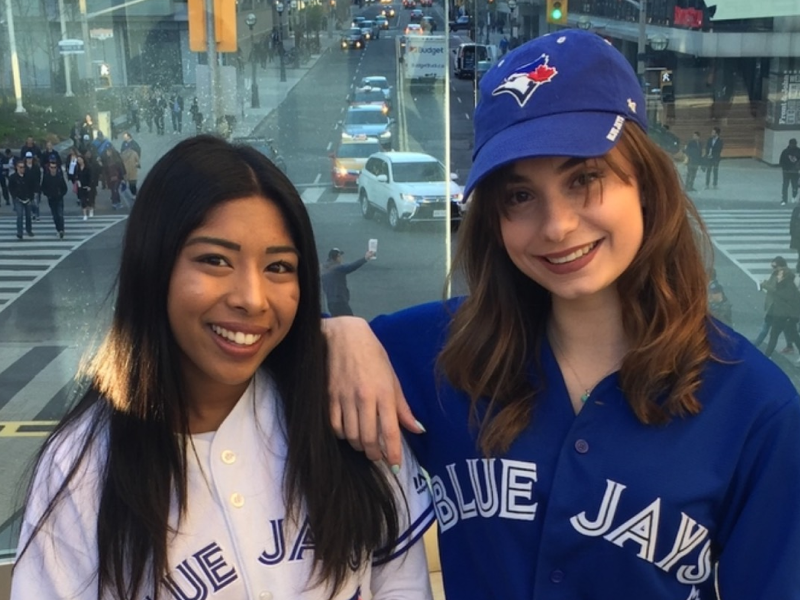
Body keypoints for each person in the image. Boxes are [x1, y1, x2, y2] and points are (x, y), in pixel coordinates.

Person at [322, 31, 800, 599]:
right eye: (519, 197)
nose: (556, 226)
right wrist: (340, 335)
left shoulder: (753, 407)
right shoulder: (436, 350)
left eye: (584, 179)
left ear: (644, 184)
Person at [10, 135, 434, 600]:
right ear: (154, 265)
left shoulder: (342, 409)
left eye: (278, 267)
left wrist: (344, 332)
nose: (251, 299)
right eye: (214, 260)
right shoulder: (84, 465)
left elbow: (401, 582)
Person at [759, 255, 800, 359]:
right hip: (781, 314)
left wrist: (768, 287)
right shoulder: (783, 283)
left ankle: (767, 356)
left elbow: (782, 295)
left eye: (779, 274)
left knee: (780, 335)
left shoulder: (788, 285)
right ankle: (767, 355)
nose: (777, 275)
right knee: (789, 335)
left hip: (785, 315)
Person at [321, 247, 375, 316]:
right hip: (340, 302)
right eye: (340, 256)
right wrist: (365, 258)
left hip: (330, 303)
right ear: (337, 257)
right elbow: (351, 266)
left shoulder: (324, 270)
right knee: (350, 322)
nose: (341, 258)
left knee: (338, 323)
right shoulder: (337, 268)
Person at [40, 160, 67, 239]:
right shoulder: (46, 177)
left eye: (54, 167)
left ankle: (61, 229)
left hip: (59, 198)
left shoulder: (59, 177)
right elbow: (43, 187)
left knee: (60, 214)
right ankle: (58, 229)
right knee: (55, 215)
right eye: (51, 167)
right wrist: (47, 194)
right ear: (49, 168)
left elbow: (65, 188)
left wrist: (61, 194)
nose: (53, 169)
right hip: (51, 199)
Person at [779, 137, 800, 206]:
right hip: (794, 171)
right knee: (794, 185)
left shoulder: (785, 151)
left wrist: (784, 168)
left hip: (787, 171)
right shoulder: (798, 151)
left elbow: (781, 161)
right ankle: (793, 197)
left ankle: (784, 200)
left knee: (786, 186)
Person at [75, 154, 94, 220]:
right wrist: (77, 181)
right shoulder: (77, 168)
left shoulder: (88, 167)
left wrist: (89, 186)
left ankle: (91, 209)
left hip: (87, 185)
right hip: (80, 186)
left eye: (80, 159)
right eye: (78, 160)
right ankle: (85, 214)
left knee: (89, 199)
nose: (79, 161)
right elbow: (76, 176)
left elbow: (91, 177)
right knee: (83, 200)